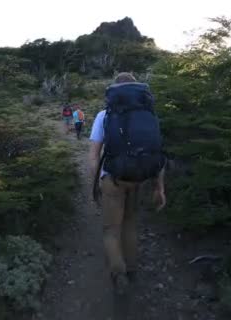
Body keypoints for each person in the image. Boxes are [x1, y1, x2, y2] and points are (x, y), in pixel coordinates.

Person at [88, 72, 167, 294]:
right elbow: (158, 154)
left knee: (111, 230)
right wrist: (160, 188)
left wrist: (95, 184)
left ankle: (119, 273)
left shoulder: (104, 115)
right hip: (138, 178)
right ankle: (132, 269)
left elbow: (94, 156)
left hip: (112, 179)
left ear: (115, 92)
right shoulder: (149, 115)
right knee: (130, 224)